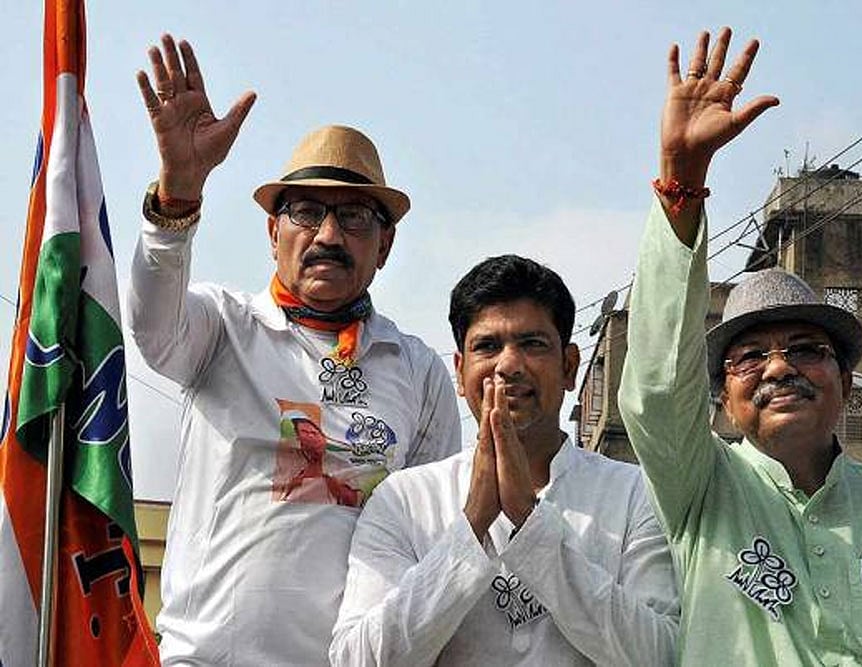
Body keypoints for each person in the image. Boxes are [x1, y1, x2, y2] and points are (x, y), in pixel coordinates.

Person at [618, 27, 862, 665]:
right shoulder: (701, 489)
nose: (778, 367)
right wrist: (681, 180)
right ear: (721, 398)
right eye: (750, 356)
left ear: (845, 383)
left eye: (805, 348)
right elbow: (656, 386)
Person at [130, 35, 461, 665]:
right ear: (273, 230)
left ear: (385, 247)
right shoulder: (221, 328)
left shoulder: (418, 373)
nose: (328, 236)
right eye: (307, 212)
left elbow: (429, 538)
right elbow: (150, 325)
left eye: (356, 218)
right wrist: (178, 193)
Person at [330, 255, 679, 666]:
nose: (509, 365)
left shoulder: (634, 494)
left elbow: (662, 656)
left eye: (532, 344)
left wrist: (532, 527)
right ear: (460, 373)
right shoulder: (405, 498)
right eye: (488, 346)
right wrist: (471, 526)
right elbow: (359, 660)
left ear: (569, 367)